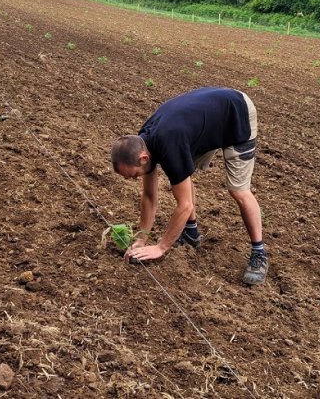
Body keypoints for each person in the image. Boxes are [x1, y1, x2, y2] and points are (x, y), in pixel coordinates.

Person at [111, 86, 268, 285]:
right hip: (207, 119)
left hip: (236, 114)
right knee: (182, 173)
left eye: (133, 175)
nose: (134, 179)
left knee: (238, 190)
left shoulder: (168, 143)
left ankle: (259, 254)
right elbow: (149, 196)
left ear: (143, 159)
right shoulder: (143, 141)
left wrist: (161, 247)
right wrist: (142, 239)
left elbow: (185, 205)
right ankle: (191, 233)